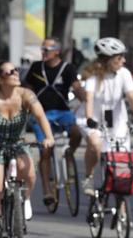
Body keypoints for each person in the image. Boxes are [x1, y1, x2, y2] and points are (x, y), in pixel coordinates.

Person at [0, 63, 53, 238]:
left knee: (30, 174)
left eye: (16, 70)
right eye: (10, 72)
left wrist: (48, 137)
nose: (16, 74)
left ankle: (25, 199)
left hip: (17, 144)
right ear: (0, 79)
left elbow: (41, 117)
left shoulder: (26, 94)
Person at [23, 38, 91, 210]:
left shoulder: (66, 69)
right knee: (46, 150)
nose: (44, 53)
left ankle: (69, 155)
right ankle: (47, 190)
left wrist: (88, 102)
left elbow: (76, 87)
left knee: (76, 132)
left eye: (47, 50)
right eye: (42, 49)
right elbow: (27, 87)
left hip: (62, 111)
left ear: (57, 51)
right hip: (41, 114)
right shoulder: (36, 67)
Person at [80, 37, 133, 193]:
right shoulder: (93, 76)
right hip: (94, 119)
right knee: (96, 144)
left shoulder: (124, 74)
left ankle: (122, 214)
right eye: (120, 57)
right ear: (107, 59)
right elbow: (89, 99)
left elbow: (131, 97)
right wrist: (90, 119)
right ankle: (88, 177)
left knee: (122, 168)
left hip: (118, 122)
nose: (124, 60)